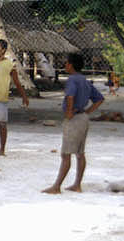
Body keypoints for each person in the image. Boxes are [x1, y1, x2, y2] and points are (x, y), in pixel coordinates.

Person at [43, 53, 104, 194]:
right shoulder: (84, 80)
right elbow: (99, 99)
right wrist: (87, 111)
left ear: (70, 65)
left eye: (66, 63)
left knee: (66, 154)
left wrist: (69, 112)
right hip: (83, 117)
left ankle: (57, 186)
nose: (65, 65)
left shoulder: (72, 80)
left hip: (74, 119)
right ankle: (77, 184)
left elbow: (70, 96)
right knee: (80, 153)